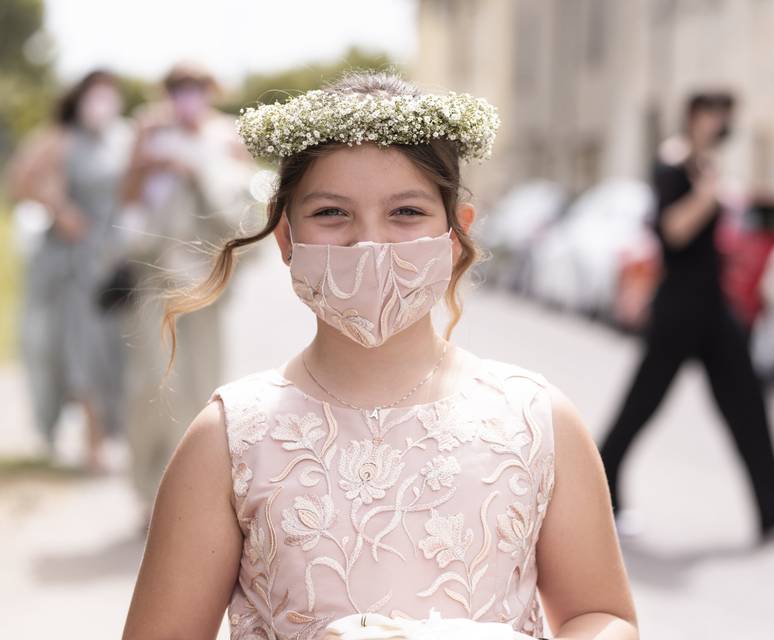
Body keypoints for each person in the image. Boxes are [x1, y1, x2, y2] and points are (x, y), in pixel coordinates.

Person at [122, 72, 638, 640]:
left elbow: (602, 614)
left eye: (406, 213)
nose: (370, 243)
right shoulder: (228, 441)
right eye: (332, 214)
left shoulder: (537, 421)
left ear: (455, 233)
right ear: (287, 239)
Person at [599, 92, 774, 543]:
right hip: (678, 307)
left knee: (749, 406)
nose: (725, 126)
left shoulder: (705, 165)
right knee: (640, 408)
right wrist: (706, 196)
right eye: (719, 116)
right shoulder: (672, 164)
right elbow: (672, 232)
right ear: (698, 116)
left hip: (714, 308)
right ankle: (601, 502)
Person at [118, 62, 254, 518]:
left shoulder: (228, 136)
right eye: (179, 87)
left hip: (207, 279)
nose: (187, 95)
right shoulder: (148, 132)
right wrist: (145, 157)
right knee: (154, 385)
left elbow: (244, 207)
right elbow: (128, 201)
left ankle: (198, 498)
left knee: (205, 384)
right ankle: (148, 496)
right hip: (155, 277)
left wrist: (196, 173)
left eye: (195, 86)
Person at [7, 69, 133, 470]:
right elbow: (18, 182)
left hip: (112, 258)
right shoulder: (59, 139)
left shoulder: (122, 137)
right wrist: (59, 209)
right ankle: (90, 444)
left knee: (112, 349)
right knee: (80, 348)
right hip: (70, 261)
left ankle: (105, 435)